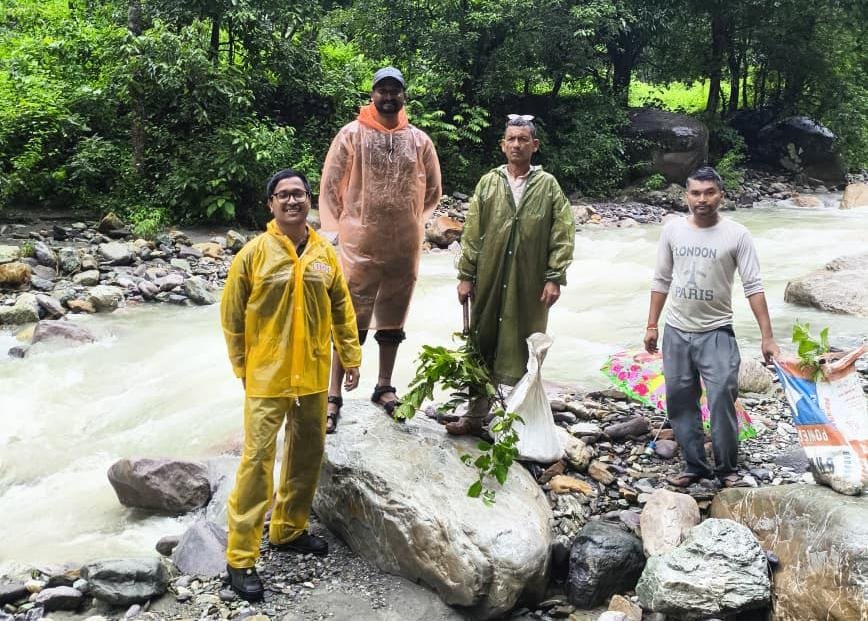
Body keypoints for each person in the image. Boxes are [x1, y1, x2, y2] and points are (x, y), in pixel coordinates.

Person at [220, 168, 362, 601]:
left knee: (306, 455)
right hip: (267, 376)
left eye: (299, 194)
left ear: (309, 201)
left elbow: (341, 307)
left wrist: (351, 355)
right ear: (270, 205)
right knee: (257, 464)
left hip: (315, 375)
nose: (292, 201)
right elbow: (231, 317)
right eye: (283, 195)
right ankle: (240, 558)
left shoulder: (324, 254)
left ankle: (288, 529)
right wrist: (243, 366)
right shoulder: (254, 254)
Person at [319, 66, 442, 431]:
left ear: (404, 95)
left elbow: (434, 189)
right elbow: (329, 185)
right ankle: (333, 394)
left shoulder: (419, 141)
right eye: (382, 91)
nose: (388, 97)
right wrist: (343, 226)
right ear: (372, 94)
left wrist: (408, 219)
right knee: (349, 319)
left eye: (395, 91)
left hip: (403, 246)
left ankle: (384, 386)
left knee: (393, 317)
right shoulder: (351, 135)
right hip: (358, 245)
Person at [643, 165, 779, 489]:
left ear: (721, 195)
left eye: (709, 192)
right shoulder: (673, 231)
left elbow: (753, 286)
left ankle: (727, 469)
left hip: (717, 331)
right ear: (685, 196)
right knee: (679, 400)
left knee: (721, 398)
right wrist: (651, 324)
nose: (702, 199)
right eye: (695, 193)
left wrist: (768, 337)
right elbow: (661, 279)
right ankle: (695, 466)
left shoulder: (737, 235)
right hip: (677, 329)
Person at [448, 114, 575, 436]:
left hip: (530, 282)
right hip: (489, 278)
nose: (517, 144)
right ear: (503, 145)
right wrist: (466, 275)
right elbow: (473, 232)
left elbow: (562, 232)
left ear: (535, 145)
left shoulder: (548, 186)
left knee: (527, 343)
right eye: (512, 139)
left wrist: (554, 276)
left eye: (523, 139)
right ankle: (475, 417)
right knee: (481, 341)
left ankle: (519, 424)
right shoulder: (488, 183)